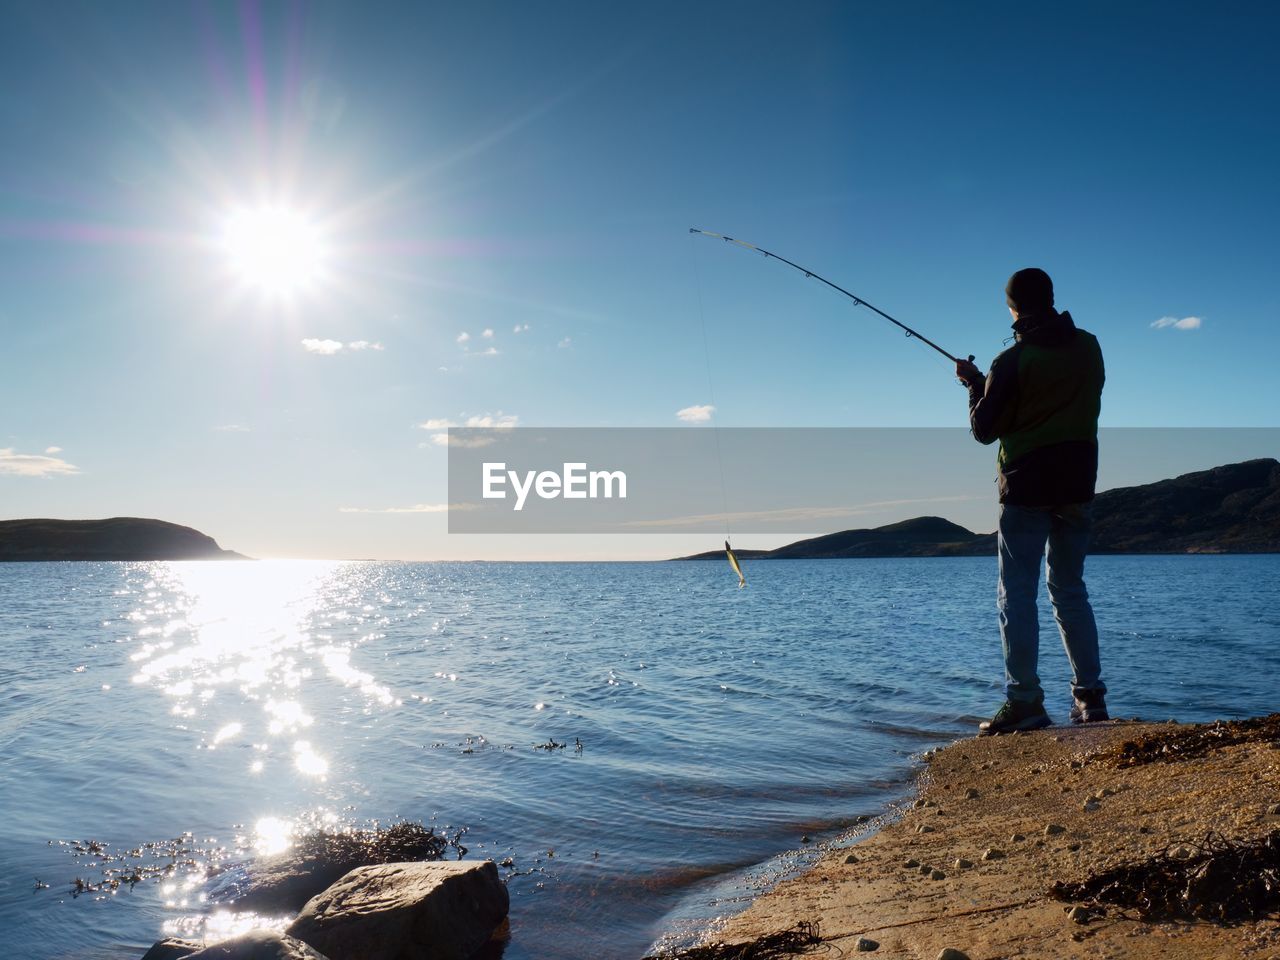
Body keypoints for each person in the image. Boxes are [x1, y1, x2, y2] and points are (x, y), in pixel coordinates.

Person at [955, 267, 1108, 735]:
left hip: (1026, 487)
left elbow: (985, 430)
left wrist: (974, 387)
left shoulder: (1012, 361)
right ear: (1052, 298)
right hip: (1078, 483)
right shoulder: (1089, 347)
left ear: (1013, 308)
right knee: (1070, 590)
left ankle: (1025, 702)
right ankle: (1090, 700)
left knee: (1017, 595)